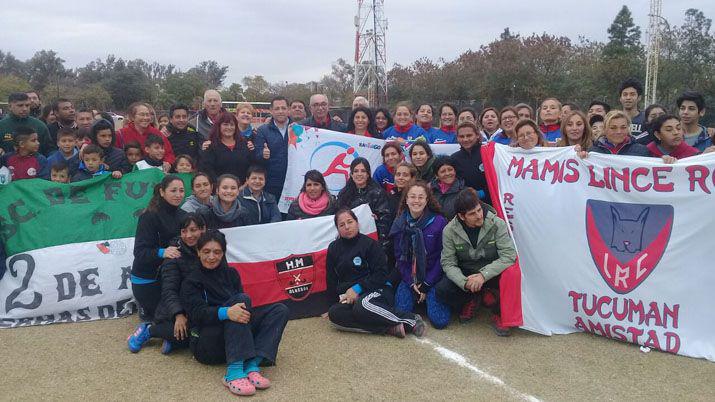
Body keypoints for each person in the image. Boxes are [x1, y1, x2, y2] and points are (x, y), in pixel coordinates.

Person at [180, 230, 289, 396]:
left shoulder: (232, 274)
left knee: (279, 310)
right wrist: (225, 312)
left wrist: (233, 312)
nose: (211, 257)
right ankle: (234, 372)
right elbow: (196, 315)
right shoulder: (191, 280)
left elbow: (242, 311)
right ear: (198, 252)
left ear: (223, 253)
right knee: (241, 300)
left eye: (217, 252)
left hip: (235, 338)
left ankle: (252, 364)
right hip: (207, 342)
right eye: (206, 252)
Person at [327, 208, 426, 338]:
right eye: (341, 225)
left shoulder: (370, 244)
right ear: (337, 229)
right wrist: (332, 303)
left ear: (357, 223)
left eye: (350, 222)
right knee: (334, 313)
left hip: (378, 290)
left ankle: (411, 319)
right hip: (351, 295)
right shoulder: (333, 248)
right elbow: (331, 278)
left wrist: (358, 289)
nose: (347, 227)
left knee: (363, 305)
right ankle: (388, 328)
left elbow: (381, 274)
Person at [435, 188, 517, 334]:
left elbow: (509, 255)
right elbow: (448, 263)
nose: (479, 216)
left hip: (492, 272)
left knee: (512, 275)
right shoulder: (449, 231)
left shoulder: (497, 224)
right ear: (461, 216)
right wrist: (464, 282)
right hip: (467, 273)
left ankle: (499, 313)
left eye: (479, 210)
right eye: (472, 214)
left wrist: (483, 275)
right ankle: (471, 297)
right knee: (442, 290)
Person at [127, 213, 206, 354]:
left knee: (204, 335)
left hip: (198, 305)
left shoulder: (209, 249)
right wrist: (178, 314)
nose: (189, 235)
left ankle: (172, 338)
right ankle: (150, 329)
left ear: (203, 229)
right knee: (188, 334)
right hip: (175, 307)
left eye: (193, 230)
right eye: (184, 231)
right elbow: (169, 290)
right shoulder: (174, 255)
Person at [389, 182, 450, 329]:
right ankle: (417, 298)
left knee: (440, 321)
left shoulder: (439, 222)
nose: (416, 201)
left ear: (427, 200)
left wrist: (427, 284)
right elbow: (400, 259)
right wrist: (411, 282)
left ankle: (426, 299)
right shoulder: (399, 223)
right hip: (410, 276)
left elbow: (443, 256)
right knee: (401, 317)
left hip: (433, 276)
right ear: (406, 200)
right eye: (413, 197)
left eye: (421, 197)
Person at [131, 175, 187, 321]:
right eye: (173, 190)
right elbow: (139, 252)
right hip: (147, 279)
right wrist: (163, 252)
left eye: (181, 190)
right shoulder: (149, 216)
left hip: (170, 275)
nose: (178, 194)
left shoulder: (184, 216)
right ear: (162, 192)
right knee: (164, 320)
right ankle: (146, 315)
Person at [337, 158, 393, 252]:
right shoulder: (343, 194)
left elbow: (386, 222)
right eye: (356, 171)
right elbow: (337, 218)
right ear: (351, 174)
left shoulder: (378, 193)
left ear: (368, 174)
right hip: (348, 245)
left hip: (371, 245)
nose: (359, 174)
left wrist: (376, 219)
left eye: (363, 171)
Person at [199, 112, 255, 183]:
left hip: (242, 189)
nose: (229, 127)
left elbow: (251, 168)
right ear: (219, 126)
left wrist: (244, 186)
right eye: (225, 124)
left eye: (232, 125)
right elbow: (208, 171)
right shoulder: (211, 146)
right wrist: (221, 187)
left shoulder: (245, 145)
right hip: (220, 190)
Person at [254, 96, 292, 201]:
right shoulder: (262, 131)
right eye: (277, 108)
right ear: (271, 110)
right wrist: (263, 154)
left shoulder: (298, 128)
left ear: (288, 109)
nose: (280, 111)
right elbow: (256, 156)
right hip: (272, 183)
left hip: (293, 181)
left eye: (283, 108)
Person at [115, 102, 175, 167]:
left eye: (147, 115)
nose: (145, 118)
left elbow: (169, 154)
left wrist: (167, 162)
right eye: (142, 115)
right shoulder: (120, 134)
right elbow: (116, 156)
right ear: (132, 117)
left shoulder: (157, 133)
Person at [451, 122, 490, 202]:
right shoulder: (454, 158)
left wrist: (482, 193)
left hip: (491, 202)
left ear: (477, 135)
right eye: (461, 136)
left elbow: (498, 179)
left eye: (469, 135)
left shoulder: (489, 153)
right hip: (467, 203)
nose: (465, 139)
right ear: (457, 138)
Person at [430, 156, 466, 221]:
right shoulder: (430, 191)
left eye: (450, 169)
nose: (447, 173)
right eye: (443, 171)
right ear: (436, 175)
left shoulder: (465, 192)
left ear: (455, 171)